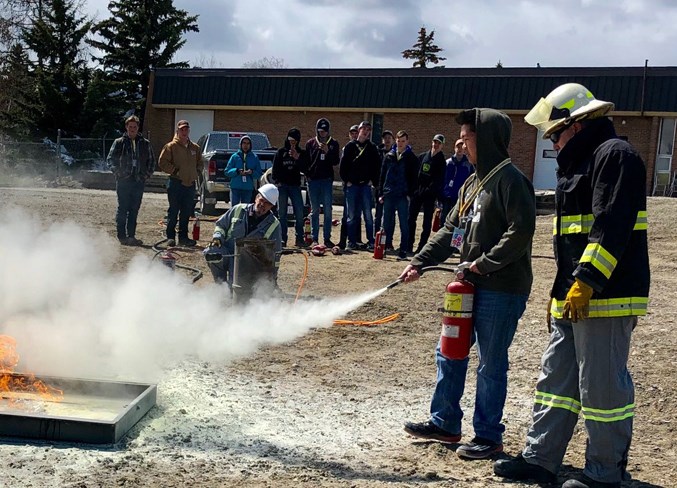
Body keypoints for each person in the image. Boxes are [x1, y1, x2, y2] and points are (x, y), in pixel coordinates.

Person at [494, 83, 650, 488]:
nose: (553, 143)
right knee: (556, 381)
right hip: (574, 294)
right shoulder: (580, 164)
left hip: (607, 296)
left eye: (555, 134)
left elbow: (610, 228)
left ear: (577, 125)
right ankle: (540, 458)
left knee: (600, 388)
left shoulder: (615, 156)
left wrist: (586, 283)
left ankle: (604, 472)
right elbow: (571, 242)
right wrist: (559, 293)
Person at [399, 108, 536, 460]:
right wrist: (420, 262)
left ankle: (489, 437)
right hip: (468, 285)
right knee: (449, 350)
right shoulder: (471, 184)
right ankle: (444, 422)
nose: (460, 142)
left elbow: (519, 232)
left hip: (501, 289)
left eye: (468, 136)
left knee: (490, 364)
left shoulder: (511, 181)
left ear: (489, 139)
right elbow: (451, 231)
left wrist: (482, 263)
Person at [205, 183, 282, 290]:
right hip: (230, 254)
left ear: (272, 207)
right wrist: (217, 237)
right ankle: (220, 287)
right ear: (256, 198)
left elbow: (276, 254)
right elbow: (221, 225)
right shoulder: (238, 209)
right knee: (212, 252)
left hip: (249, 264)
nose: (262, 205)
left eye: (267, 203)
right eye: (262, 200)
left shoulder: (274, 225)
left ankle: (233, 291)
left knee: (237, 289)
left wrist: (272, 278)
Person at [107, 115, 155, 246]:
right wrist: (118, 173)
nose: (132, 129)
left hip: (138, 181)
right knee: (123, 208)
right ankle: (122, 236)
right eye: (130, 127)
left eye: (135, 127)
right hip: (123, 181)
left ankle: (131, 236)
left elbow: (152, 161)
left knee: (134, 209)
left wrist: (146, 175)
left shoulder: (145, 143)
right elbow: (110, 159)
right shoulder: (119, 142)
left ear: (138, 128)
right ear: (126, 127)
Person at [158, 120, 201, 247]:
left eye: (186, 129)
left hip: (190, 184)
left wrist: (196, 172)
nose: (184, 131)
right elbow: (162, 162)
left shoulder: (195, 148)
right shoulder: (170, 147)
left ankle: (183, 238)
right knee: (173, 211)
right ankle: (170, 237)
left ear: (189, 131)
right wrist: (175, 171)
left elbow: (200, 162)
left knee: (186, 212)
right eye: (182, 129)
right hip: (176, 183)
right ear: (177, 131)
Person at [339, 120, 380, 251]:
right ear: (359, 130)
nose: (366, 132)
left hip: (365, 186)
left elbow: (377, 166)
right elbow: (343, 166)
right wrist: (347, 181)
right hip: (352, 186)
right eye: (364, 129)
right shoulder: (350, 146)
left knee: (368, 215)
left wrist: (373, 181)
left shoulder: (372, 147)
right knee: (351, 215)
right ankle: (351, 241)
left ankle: (371, 241)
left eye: (369, 130)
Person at [378, 130, 417, 260]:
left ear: (407, 142)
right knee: (386, 223)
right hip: (389, 193)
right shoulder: (389, 156)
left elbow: (414, 178)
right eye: (398, 141)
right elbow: (382, 176)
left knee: (403, 224)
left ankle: (403, 250)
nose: (400, 143)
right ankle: (383, 248)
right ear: (396, 141)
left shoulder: (411, 158)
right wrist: (381, 193)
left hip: (402, 195)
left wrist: (409, 194)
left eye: (403, 141)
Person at [408, 134, 447, 254]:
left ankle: (422, 247)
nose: (436, 145)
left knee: (426, 222)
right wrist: (414, 190)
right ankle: (408, 244)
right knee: (411, 219)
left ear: (442, 145)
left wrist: (429, 191)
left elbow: (439, 180)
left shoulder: (441, 161)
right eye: (434, 142)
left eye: (439, 143)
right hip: (417, 194)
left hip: (430, 196)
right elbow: (415, 174)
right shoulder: (423, 156)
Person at [304, 118, 340, 247]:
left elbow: (336, 161)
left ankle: (327, 238)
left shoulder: (334, 144)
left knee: (328, 210)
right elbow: (306, 161)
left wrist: (327, 152)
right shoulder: (310, 143)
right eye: (320, 131)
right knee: (314, 211)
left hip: (326, 180)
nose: (323, 133)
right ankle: (314, 238)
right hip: (313, 181)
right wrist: (308, 175)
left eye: (325, 131)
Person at [272, 128, 309, 247]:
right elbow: (274, 170)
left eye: (295, 140)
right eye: (290, 140)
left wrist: (297, 157)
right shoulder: (280, 152)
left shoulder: (301, 153)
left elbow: (306, 169)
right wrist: (277, 182)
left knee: (299, 213)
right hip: (282, 186)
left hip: (295, 186)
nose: (292, 142)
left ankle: (299, 238)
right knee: (281, 214)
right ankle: (282, 239)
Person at [441, 138, 474, 223]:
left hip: (461, 197)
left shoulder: (469, 165)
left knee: (458, 221)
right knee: (444, 220)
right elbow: (442, 179)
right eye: (457, 147)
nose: (460, 149)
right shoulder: (448, 163)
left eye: (461, 147)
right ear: (454, 148)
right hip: (447, 196)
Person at [225, 135, 263, 206]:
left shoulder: (254, 157)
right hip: (235, 187)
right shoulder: (235, 157)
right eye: (244, 143)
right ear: (241, 144)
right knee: (234, 209)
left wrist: (252, 172)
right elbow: (227, 171)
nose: (246, 145)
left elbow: (259, 174)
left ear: (250, 145)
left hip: (248, 188)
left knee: (245, 209)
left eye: (248, 143)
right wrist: (237, 171)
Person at [374, 129, 395, 242]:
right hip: (379, 189)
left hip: (391, 190)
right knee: (378, 216)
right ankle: (376, 240)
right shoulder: (378, 153)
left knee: (390, 217)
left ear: (393, 140)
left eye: (389, 138)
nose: (387, 140)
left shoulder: (396, 154)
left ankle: (388, 241)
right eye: (385, 138)